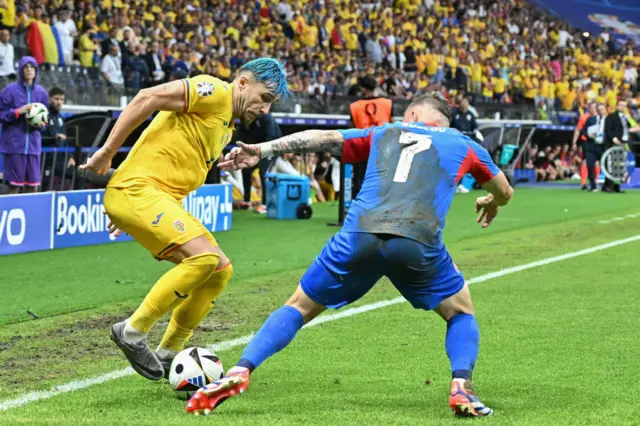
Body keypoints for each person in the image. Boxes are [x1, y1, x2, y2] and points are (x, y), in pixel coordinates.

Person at [186, 93, 513, 417]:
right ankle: (461, 387)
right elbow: (504, 190)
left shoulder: (385, 131)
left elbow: (322, 138)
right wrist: (491, 202)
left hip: (358, 234)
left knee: (298, 307)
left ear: (412, 114)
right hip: (416, 241)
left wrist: (261, 149)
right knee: (460, 312)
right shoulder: (464, 143)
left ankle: (240, 371)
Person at [80, 58, 288, 381]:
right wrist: (108, 152)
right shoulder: (215, 92)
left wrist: (138, 215)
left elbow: (167, 161)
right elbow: (146, 98)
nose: (265, 110)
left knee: (220, 270)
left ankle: (168, 352)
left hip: (149, 198)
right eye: (265, 98)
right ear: (243, 82)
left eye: (270, 104)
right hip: (137, 190)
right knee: (203, 258)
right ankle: (132, 331)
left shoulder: (225, 127)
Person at [0, 56, 49, 194]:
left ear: (36, 70)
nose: (29, 70)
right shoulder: (9, 91)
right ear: (21, 70)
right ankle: (9, 212)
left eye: (32, 67)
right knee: (14, 186)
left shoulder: (41, 93)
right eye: (25, 67)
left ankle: (32, 215)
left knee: (33, 186)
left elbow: (45, 121)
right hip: (14, 146)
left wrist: (41, 124)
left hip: (33, 147)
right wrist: (17, 112)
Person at [582, 103, 606, 192]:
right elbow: (584, 131)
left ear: (605, 110)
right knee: (590, 165)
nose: (601, 112)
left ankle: (605, 185)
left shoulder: (608, 120)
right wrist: (589, 135)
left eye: (602, 110)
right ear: (597, 110)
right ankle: (593, 186)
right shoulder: (591, 120)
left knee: (605, 165)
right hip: (591, 146)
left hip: (603, 147)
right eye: (599, 110)